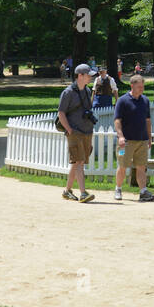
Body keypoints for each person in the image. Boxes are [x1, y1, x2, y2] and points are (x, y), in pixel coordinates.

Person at [56, 64, 97, 203]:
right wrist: (69, 130)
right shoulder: (68, 93)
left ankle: (67, 191)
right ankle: (83, 193)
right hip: (74, 132)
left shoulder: (87, 91)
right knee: (79, 161)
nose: (91, 77)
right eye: (88, 75)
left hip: (86, 131)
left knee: (77, 162)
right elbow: (61, 113)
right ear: (80, 75)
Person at [114, 73, 154, 202]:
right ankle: (118, 189)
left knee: (141, 166)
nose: (142, 89)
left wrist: (149, 137)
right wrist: (120, 137)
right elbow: (117, 120)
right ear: (132, 86)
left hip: (142, 140)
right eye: (139, 87)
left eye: (142, 87)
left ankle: (143, 192)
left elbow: (148, 120)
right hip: (126, 142)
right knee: (122, 166)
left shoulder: (145, 100)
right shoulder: (122, 100)